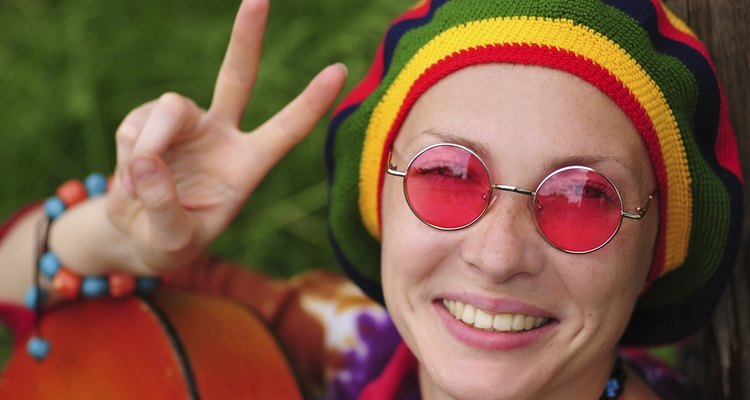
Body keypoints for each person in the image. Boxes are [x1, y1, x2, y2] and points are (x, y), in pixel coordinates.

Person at [0, 0, 744, 399]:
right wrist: (117, 239)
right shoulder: (341, 345)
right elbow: (17, 283)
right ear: (378, 205)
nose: (496, 255)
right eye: (447, 176)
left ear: (655, 251)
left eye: (583, 197)